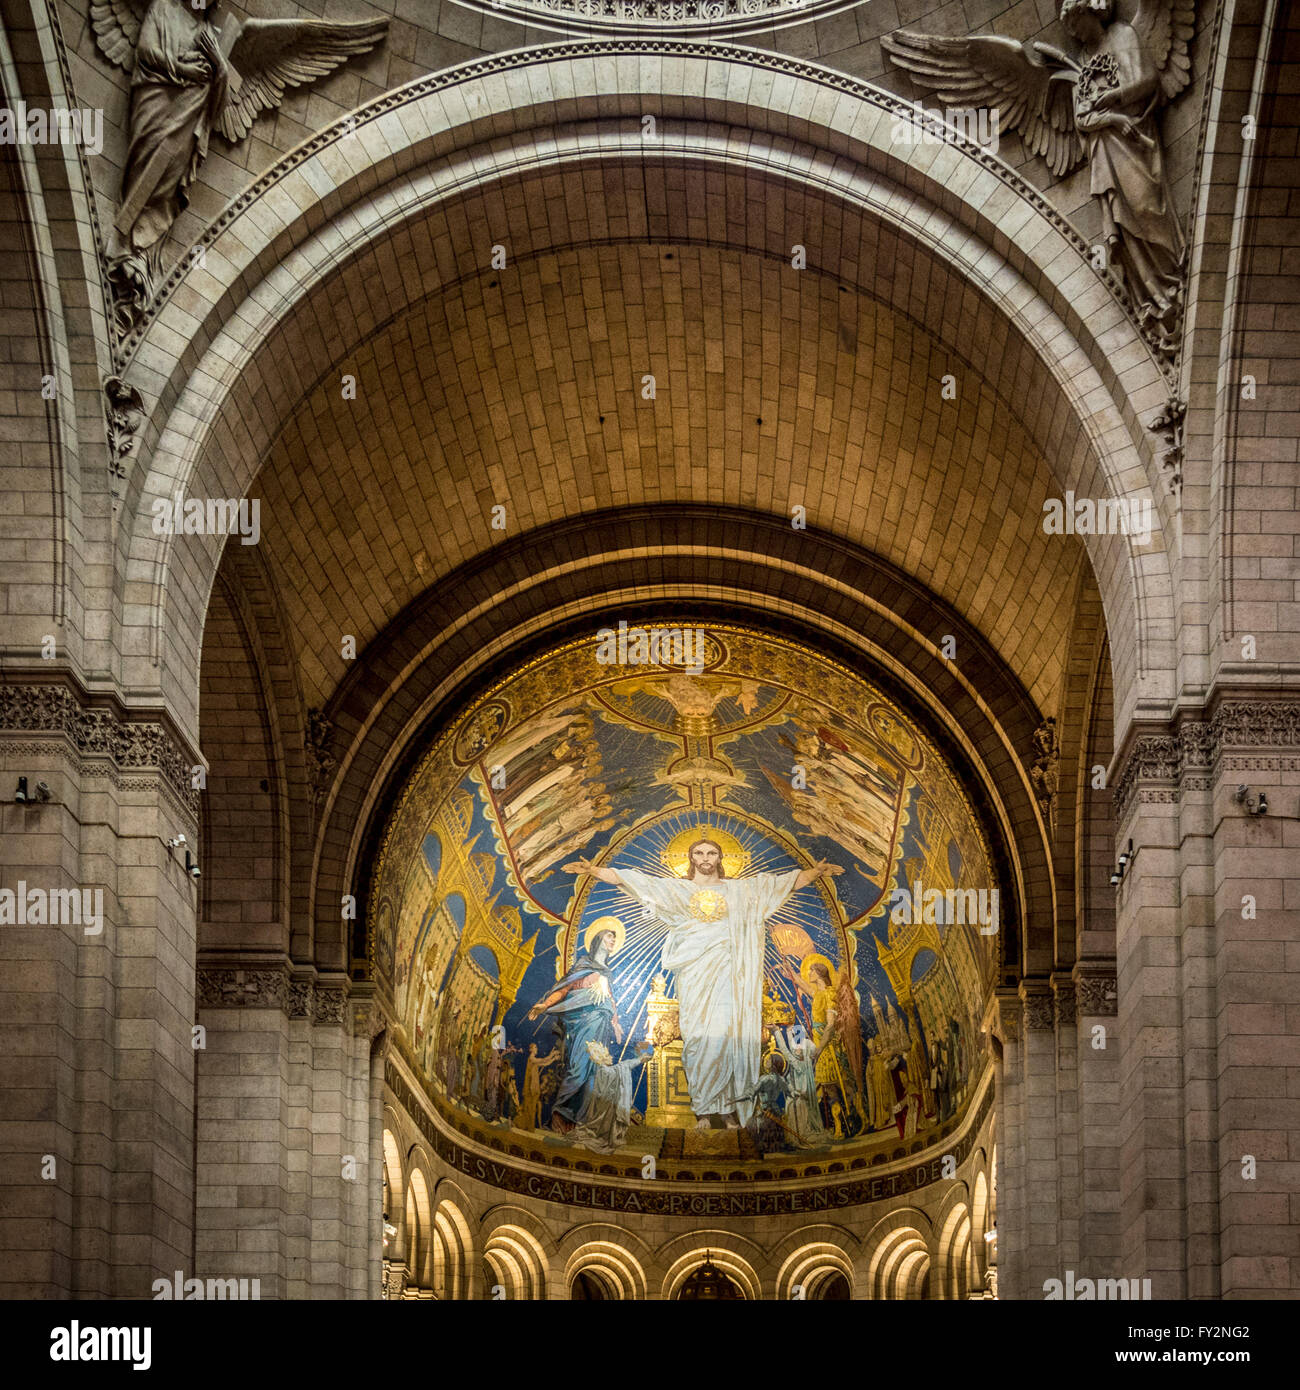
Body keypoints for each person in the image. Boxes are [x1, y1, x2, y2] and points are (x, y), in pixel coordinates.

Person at [565, 837, 841, 1129]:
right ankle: (704, 1111)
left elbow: (779, 884)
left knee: (728, 1036)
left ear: (720, 858)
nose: (705, 857)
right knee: (697, 1038)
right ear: (691, 858)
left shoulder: (739, 890)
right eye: (699, 853)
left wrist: (815, 872)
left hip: (729, 977)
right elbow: (639, 883)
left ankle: (728, 1111)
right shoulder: (678, 890)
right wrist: (595, 871)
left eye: (712, 852)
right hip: (695, 975)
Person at [526, 921, 624, 1132]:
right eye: (609, 936)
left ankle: (578, 1122)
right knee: (578, 1069)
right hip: (582, 1022)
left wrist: (615, 1023)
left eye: (614, 938)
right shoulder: (583, 965)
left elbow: (610, 999)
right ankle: (560, 1116)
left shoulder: (607, 972)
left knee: (593, 1075)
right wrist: (546, 1004)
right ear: (598, 940)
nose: (613, 941)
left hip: (601, 1025)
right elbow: (564, 990)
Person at [567, 1041, 654, 1154]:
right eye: (607, 1054)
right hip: (607, 1109)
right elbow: (622, 1067)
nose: (610, 1056)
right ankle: (611, 1137)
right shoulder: (604, 1071)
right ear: (601, 1057)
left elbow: (620, 1068)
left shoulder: (605, 1071)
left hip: (608, 1107)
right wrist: (639, 1060)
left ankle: (613, 1136)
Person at [518, 1042, 559, 1131]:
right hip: (530, 1088)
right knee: (530, 1108)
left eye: (536, 1047)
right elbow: (543, 1060)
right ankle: (527, 1126)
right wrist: (552, 1054)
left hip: (535, 1087)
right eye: (535, 1047)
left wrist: (553, 1058)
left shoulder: (534, 1061)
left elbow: (545, 1063)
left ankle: (530, 1127)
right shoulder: (531, 1058)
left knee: (533, 1109)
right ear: (530, 1049)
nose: (537, 1049)